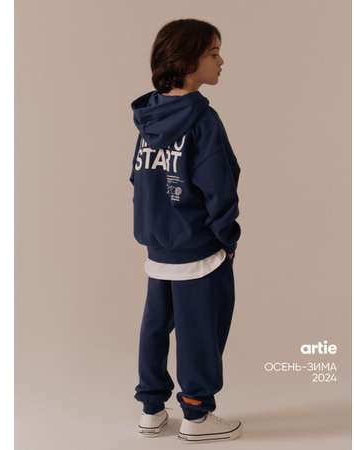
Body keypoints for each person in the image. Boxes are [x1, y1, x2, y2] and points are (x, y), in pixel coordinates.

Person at [129, 18, 243, 443]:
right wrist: (227, 237)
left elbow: (139, 180)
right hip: (198, 249)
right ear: (187, 61)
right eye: (213, 53)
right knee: (201, 331)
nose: (221, 61)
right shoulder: (203, 121)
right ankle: (196, 414)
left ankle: (151, 410)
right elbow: (218, 185)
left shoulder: (149, 119)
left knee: (155, 327)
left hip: (158, 248)